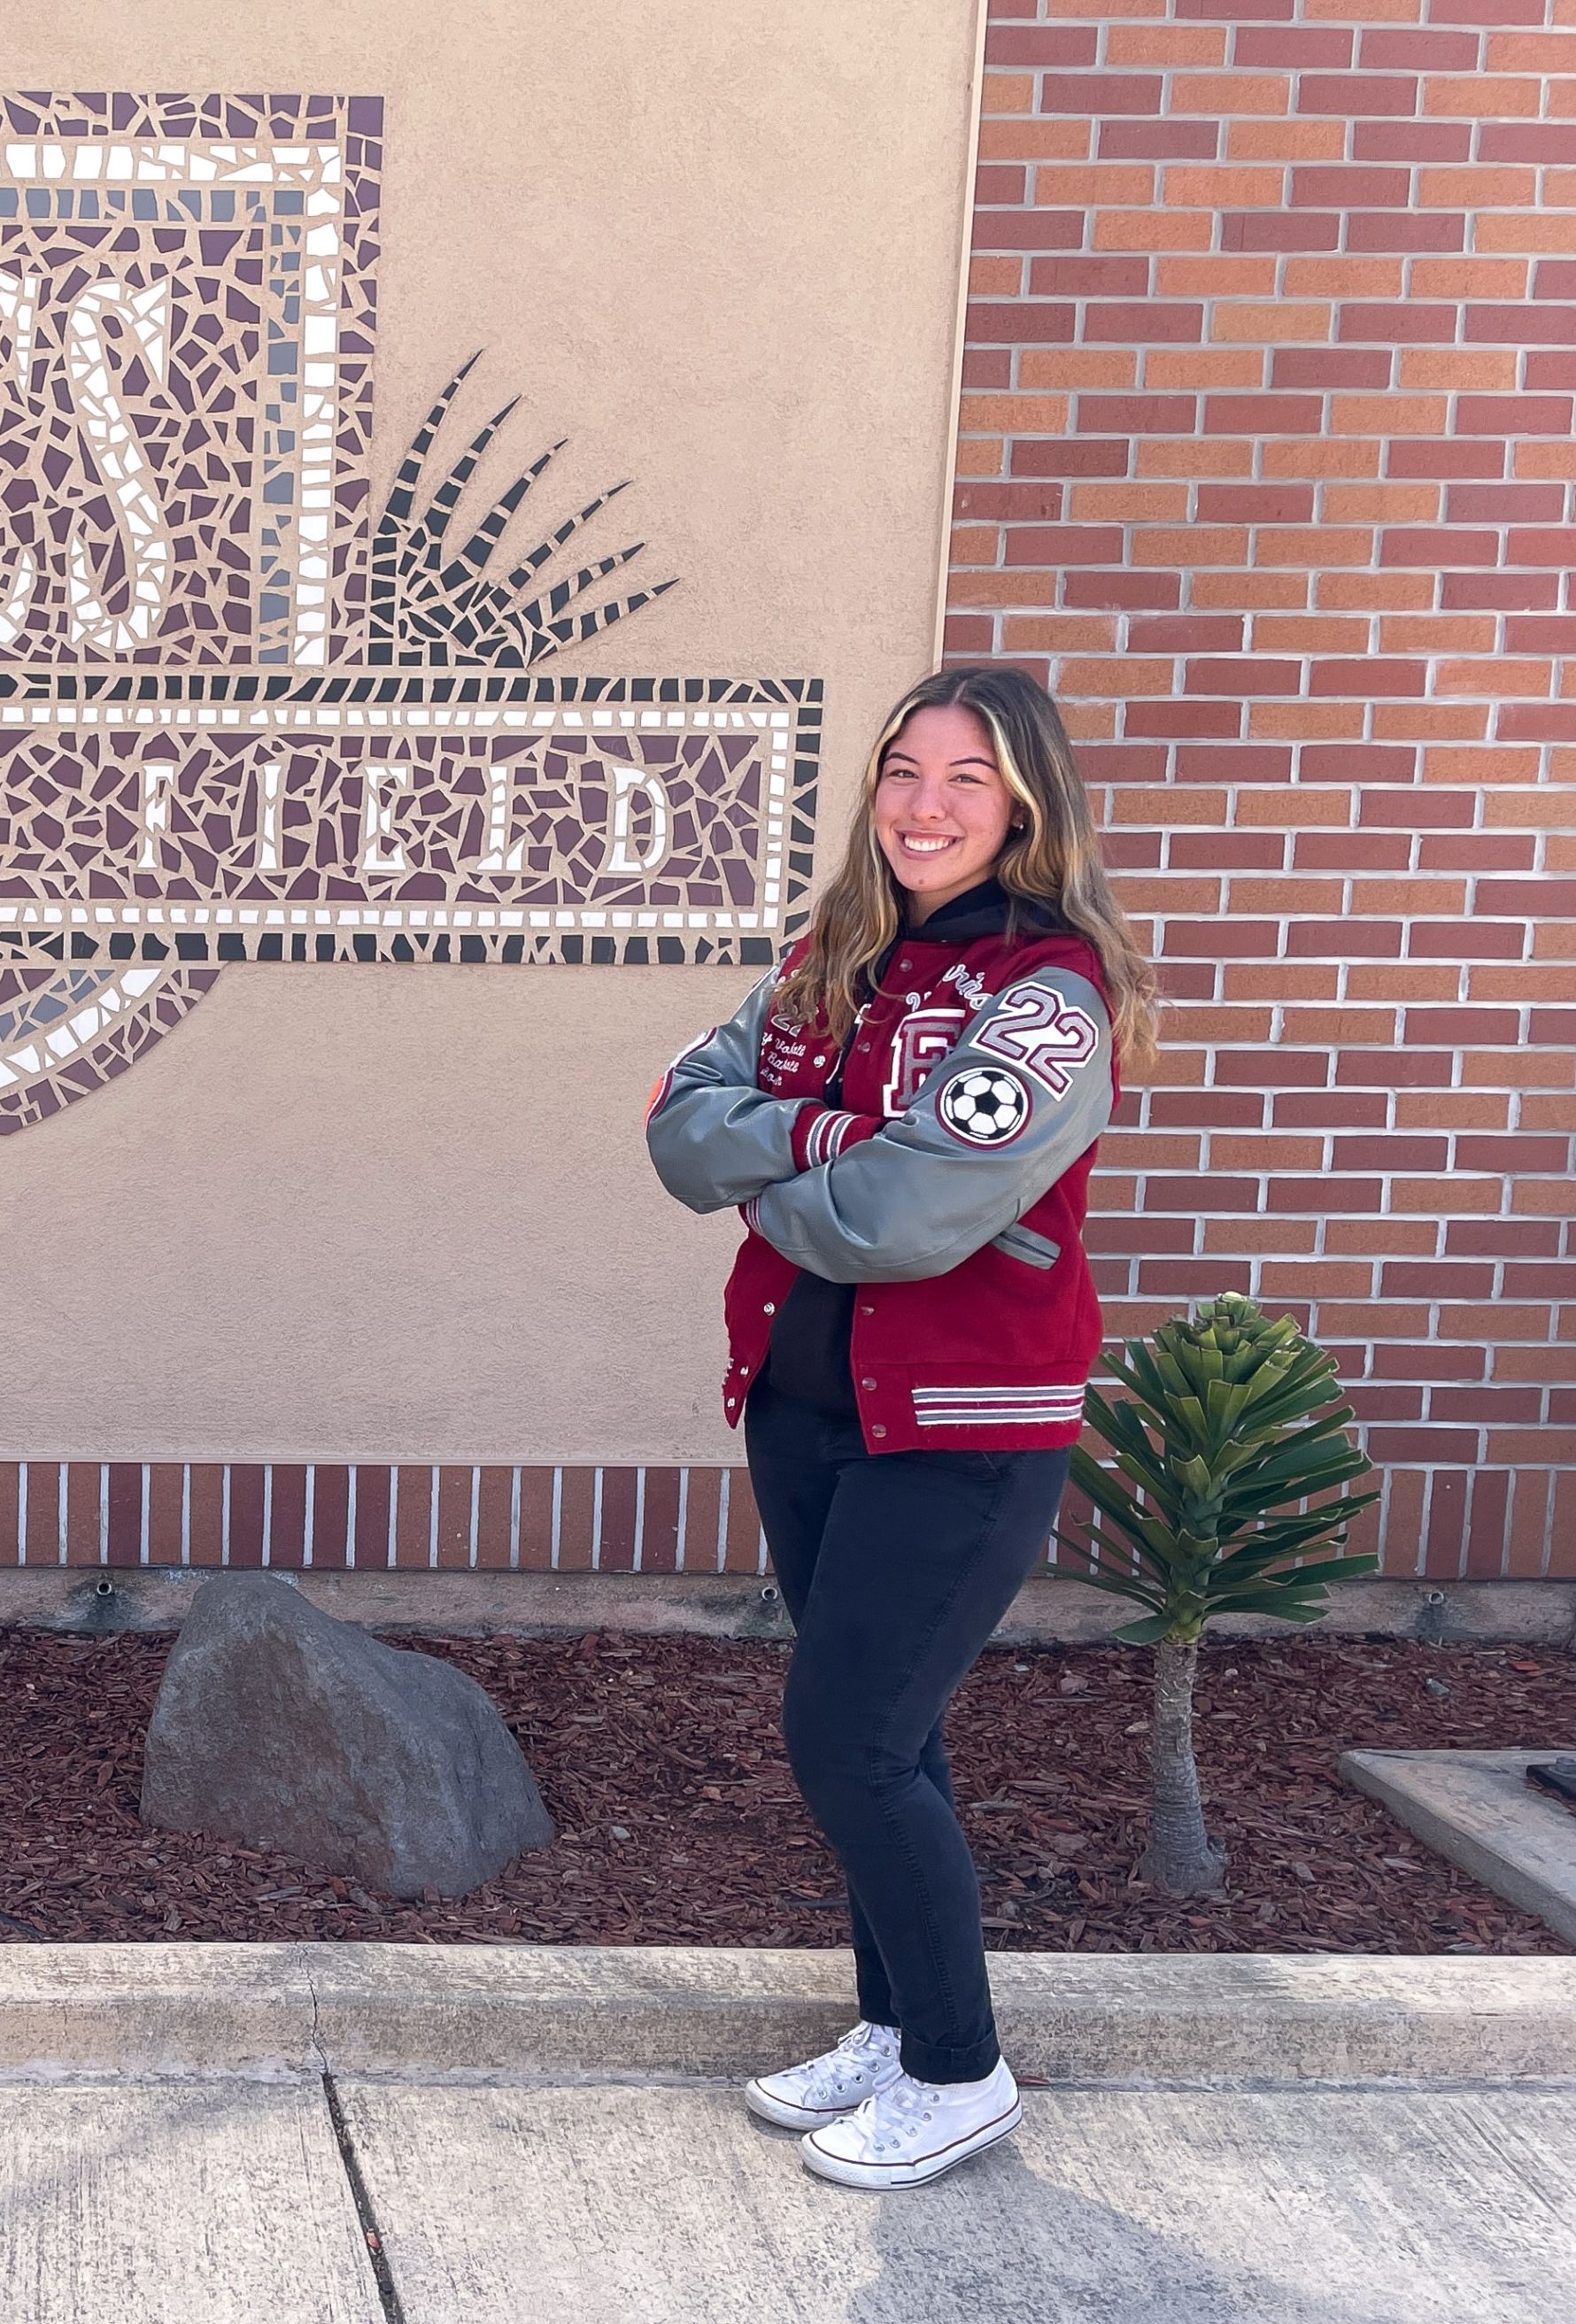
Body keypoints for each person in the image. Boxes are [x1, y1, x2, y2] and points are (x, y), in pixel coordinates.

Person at [645, 665, 1155, 2190]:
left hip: (962, 1428)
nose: (926, 805)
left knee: (848, 1737)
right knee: (895, 1736)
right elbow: (680, 1121)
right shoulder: (830, 959)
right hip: (805, 1409)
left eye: (969, 779)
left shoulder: (1046, 996)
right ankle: (896, 2020)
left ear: (1026, 808)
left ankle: (960, 2069)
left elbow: (912, 1212)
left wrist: (804, 1172)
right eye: (904, 771)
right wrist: (824, 1138)